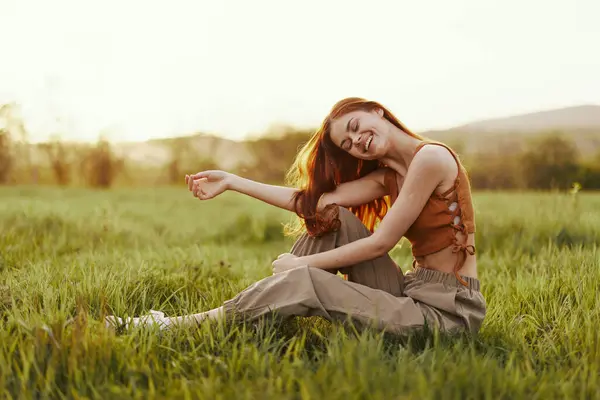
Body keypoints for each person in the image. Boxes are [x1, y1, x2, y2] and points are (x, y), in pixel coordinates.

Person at [105, 97, 486, 335]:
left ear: (377, 111)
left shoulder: (430, 158)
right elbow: (315, 203)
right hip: (412, 290)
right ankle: (259, 313)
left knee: (305, 279)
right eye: (348, 144)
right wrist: (235, 181)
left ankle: (173, 327)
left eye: (356, 127)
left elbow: (381, 242)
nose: (358, 141)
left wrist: (300, 267)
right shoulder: (389, 175)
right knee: (332, 218)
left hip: (447, 314)